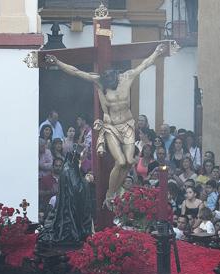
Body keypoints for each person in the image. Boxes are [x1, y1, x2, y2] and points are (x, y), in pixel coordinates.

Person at [46, 43, 167, 202]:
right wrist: (58, 62)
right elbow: (77, 72)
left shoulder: (127, 77)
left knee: (129, 161)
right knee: (121, 161)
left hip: (128, 124)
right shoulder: (100, 81)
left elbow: (144, 65)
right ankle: (110, 194)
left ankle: (115, 190)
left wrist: (157, 52)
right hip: (111, 127)